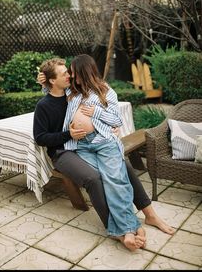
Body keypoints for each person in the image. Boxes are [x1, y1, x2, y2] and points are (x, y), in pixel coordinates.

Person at [33, 57, 175, 249]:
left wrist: (106, 126)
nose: (70, 75)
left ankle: (150, 215)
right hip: (65, 149)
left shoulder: (74, 90)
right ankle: (121, 230)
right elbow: (41, 136)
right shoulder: (49, 102)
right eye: (65, 73)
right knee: (95, 178)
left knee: (122, 167)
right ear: (52, 80)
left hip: (87, 143)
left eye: (70, 72)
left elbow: (110, 114)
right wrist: (69, 133)